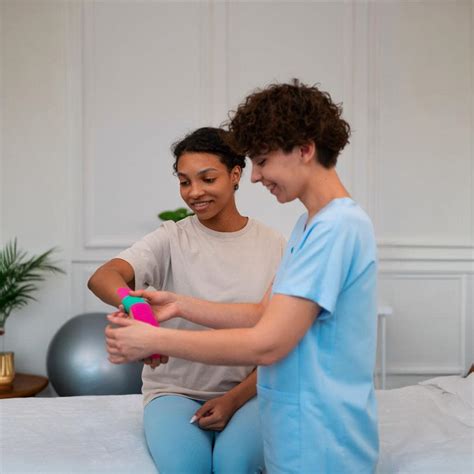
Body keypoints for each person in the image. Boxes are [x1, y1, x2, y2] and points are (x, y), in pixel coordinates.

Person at [105, 81, 379, 473]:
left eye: (262, 160)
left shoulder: (337, 228)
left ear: (304, 150)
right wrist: (178, 305)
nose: (254, 176)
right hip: (294, 430)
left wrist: (152, 339)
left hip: (321, 439)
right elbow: (263, 313)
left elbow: (268, 343)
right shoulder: (308, 226)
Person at [88, 127, 286, 473]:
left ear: (235, 174)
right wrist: (136, 306)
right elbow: (103, 277)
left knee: (234, 465)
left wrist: (233, 399)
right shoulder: (171, 238)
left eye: (207, 179)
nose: (194, 192)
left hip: (249, 392)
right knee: (187, 468)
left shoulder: (275, 246)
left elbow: (279, 339)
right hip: (174, 391)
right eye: (184, 182)